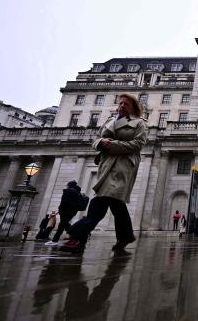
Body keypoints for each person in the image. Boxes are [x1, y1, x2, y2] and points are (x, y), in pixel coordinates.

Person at [61, 93, 147, 253]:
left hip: (122, 166)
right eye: (120, 103)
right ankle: (125, 236)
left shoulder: (139, 123)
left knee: (100, 202)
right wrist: (100, 142)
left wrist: (111, 145)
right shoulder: (110, 121)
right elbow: (95, 139)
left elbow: (138, 144)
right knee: (116, 204)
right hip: (106, 165)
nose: (122, 106)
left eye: (126, 104)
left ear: (133, 108)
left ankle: (76, 235)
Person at [46, 181, 86, 246]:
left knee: (62, 225)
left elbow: (64, 202)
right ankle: (77, 236)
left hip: (66, 211)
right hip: (72, 212)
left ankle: (55, 240)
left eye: (67, 185)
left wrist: (60, 209)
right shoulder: (77, 192)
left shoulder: (69, 191)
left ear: (69, 185)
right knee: (65, 225)